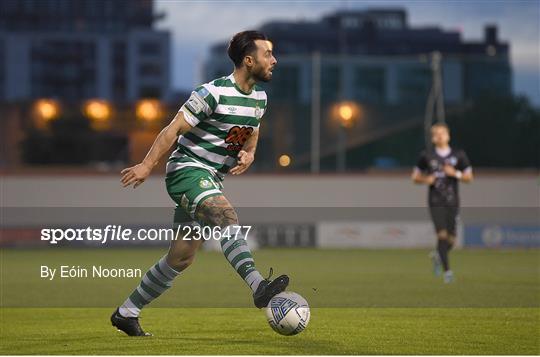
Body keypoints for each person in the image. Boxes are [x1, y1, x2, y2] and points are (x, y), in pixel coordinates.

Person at [110, 31, 288, 336]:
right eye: (267, 54)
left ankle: (127, 313)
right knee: (226, 216)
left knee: (181, 257)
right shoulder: (212, 93)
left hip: (211, 178)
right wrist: (146, 164)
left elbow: (252, 129)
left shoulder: (260, 98)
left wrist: (249, 153)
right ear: (249, 60)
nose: (274, 60)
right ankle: (258, 286)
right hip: (187, 172)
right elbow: (172, 129)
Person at [411, 123, 473, 283]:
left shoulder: (459, 155)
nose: (440, 136)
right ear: (432, 138)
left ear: (448, 135)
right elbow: (415, 177)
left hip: (453, 201)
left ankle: (439, 255)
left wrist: (456, 173)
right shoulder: (427, 155)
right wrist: (426, 179)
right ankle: (448, 273)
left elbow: (469, 177)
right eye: (436, 134)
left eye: (442, 133)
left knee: (451, 240)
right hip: (435, 200)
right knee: (442, 235)